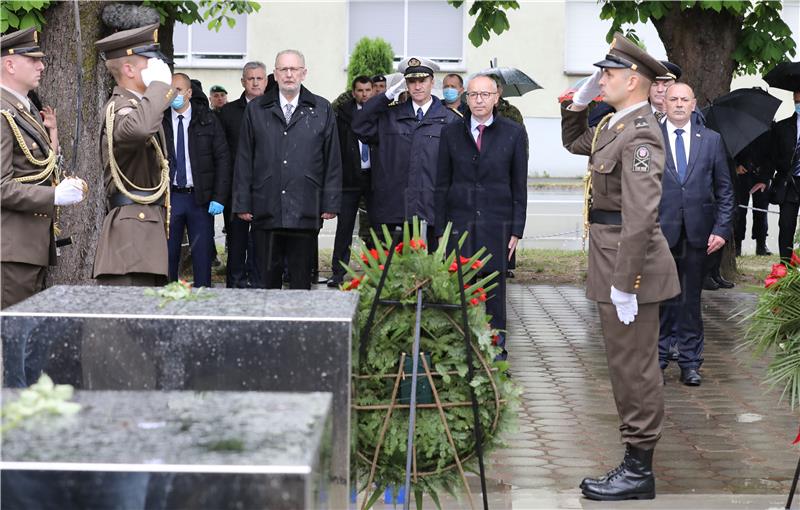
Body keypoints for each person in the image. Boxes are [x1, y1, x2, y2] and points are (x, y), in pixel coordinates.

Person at [561, 33, 680, 501]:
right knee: (622, 364)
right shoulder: (614, 125)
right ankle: (634, 462)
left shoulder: (643, 133)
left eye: (607, 74)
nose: (600, 79)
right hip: (611, 260)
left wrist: (627, 283)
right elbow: (577, 143)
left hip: (630, 268)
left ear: (633, 80)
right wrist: (580, 102)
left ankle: (638, 469)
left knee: (635, 369)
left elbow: (640, 215)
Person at [435, 74, 528, 360]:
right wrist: (441, 230)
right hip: (459, 225)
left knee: (494, 294)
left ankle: (496, 350)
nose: (478, 100)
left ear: (496, 97)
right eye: (473, 94)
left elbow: (518, 185)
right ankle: (461, 349)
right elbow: (442, 184)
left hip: (496, 226)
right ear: (466, 97)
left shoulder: (513, 133)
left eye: (485, 95)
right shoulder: (451, 132)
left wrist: (516, 230)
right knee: (459, 290)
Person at [233, 49, 341, 290]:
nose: (289, 74)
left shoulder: (321, 108)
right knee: (266, 283)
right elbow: (244, 158)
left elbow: (332, 159)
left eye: (294, 69)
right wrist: (242, 203)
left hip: (305, 207)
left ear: (304, 73)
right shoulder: (257, 109)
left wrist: (330, 202)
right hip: (266, 206)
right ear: (275, 74)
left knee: (301, 281)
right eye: (283, 69)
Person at [0, 28, 86, 308]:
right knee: (11, 336)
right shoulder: (3, 113)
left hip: (28, 244)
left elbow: (41, 166)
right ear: (10, 64)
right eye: (33, 60)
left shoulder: (22, 110)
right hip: (10, 246)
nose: (42, 66)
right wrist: (54, 196)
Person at [657, 83, 734, 386]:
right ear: (664, 103)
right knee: (661, 300)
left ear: (693, 104)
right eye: (672, 99)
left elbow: (726, 191)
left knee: (690, 301)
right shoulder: (651, 139)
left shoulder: (711, 141)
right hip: (660, 234)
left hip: (699, 236)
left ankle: (690, 362)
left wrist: (721, 230)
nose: (678, 104)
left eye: (683, 100)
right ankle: (659, 359)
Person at [92, 23, 175, 286]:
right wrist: (160, 86)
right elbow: (138, 130)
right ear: (128, 69)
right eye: (149, 62)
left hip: (145, 231)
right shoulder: (121, 108)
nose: (158, 67)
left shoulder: (139, 107)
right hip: (130, 236)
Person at [352, 57, 459, 246]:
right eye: (411, 81)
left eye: (422, 81)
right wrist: (386, 96)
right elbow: (360, 125)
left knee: (430, 273)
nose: (417, 86)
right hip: (395, 211)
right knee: (393, 271)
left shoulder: (450, 120)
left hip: (432, 210)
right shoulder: (390, 117)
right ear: (405, 84)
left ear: (432, 82)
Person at [162, 72, 230, 287]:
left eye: (179, 90)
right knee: (168, 255)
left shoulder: (207, 120)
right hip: (170, 198)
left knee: (202, 256)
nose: (174, 95)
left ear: (189, 93)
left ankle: (203, 305)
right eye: (170, 90)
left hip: (199, 199)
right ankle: (168, 300)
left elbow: (223, 159)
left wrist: (219, 197)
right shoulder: (159, 121)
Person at [218, 61, 268, 288]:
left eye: (260, 78)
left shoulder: (276, 109)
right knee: (237, 240)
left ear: (266, 81)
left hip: (267, 188)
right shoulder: (227, 113)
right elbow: (222, 154)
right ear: (243, 82)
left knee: (262, 241)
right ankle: (235, 283)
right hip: (236, 188)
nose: (255, 82)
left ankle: (258, 284)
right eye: (251, 78)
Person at [328, 75, 373, 287]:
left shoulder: (379, 112)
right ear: (353, 92)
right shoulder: (343, 114)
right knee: (344, 228)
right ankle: (337, 272)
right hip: (349, 178)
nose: (364, 94)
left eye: (367, 90)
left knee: (376, 227)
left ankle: (376, 273)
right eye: (360, 90)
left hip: (373, 179)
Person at [763, 89, 800, 262]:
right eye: (797, 95)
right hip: (788, 184)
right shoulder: (783, 127)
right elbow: (771, 157)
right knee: (786, 226)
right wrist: (764, 179)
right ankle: (785, 267)